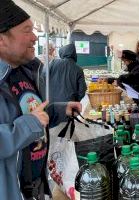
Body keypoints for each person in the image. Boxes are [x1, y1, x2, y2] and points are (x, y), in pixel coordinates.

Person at [0, 1, 81, 199]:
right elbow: (31, 121)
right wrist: (29, 125)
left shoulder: (25, 72)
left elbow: (34, 112)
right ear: (2, 39)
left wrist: (61, 110)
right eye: (26, 30)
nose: (35, 37)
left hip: (35, 187)